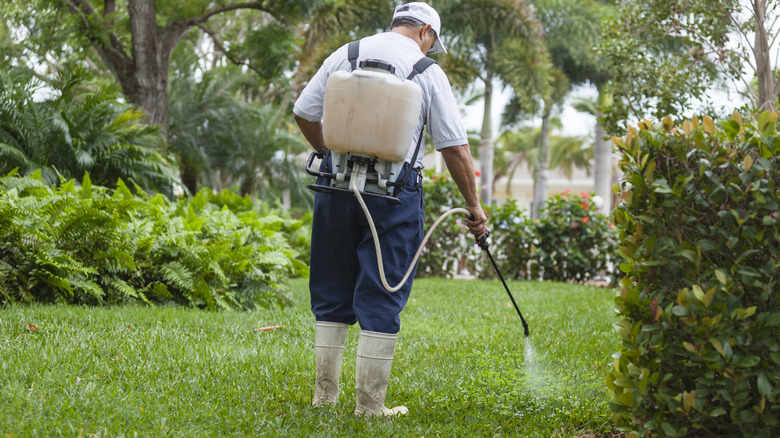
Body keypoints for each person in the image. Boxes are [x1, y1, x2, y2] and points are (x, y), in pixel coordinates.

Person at [293, 1, 487, 417]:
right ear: (426, 34)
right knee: (385, 288)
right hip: (394, 196)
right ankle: (370, 406)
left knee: (330, 288)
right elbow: (453, 146)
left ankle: (324, 398)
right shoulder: (426, 70)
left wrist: (329, 153)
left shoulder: (345, 54)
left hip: (335, 186)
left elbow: (304, 112)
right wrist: (474, 206)